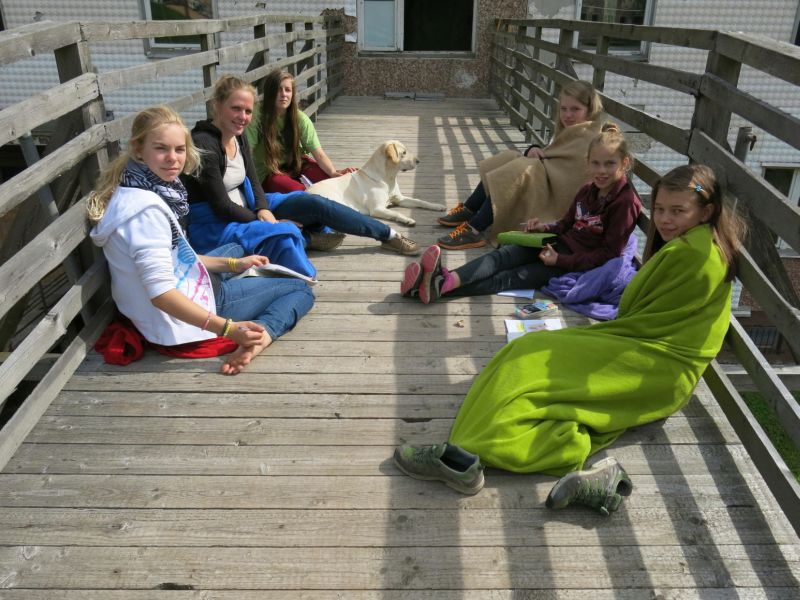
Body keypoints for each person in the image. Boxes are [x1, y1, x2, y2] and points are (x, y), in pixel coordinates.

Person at [393, 164, 745, 516]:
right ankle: (467, 449)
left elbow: (644, 311)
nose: (665, 220)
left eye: (678, 211)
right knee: (527, 350)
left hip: (656, 364)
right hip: (647, 348)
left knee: (535, 371)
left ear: (706, 211)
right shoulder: (695, 245)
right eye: (661, 209)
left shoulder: (694, 255)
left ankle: (467, 456)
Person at [88, 106, 315, 375]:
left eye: (179, 149)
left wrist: (235, 264)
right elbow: (162, 295)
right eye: (161, 149)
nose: (173, 159)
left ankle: (243, 275)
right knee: (300, 289)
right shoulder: (146, 214)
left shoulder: (137, 187)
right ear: (138, 149)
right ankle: (260, 336)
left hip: (179, 282)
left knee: (238, 248)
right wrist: (229, 329)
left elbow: (173, 256)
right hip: (187, 308)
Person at [402, 123, 641, 304]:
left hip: (571, 261)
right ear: (587, 163)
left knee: (507, 278)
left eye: (610, 164)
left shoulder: (625, 202)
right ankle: (442, 281)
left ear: (625, 163)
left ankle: (432, 286)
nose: (601, 171)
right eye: (596, 163)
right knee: (500, 257)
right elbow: (566, 224)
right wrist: (543, 227)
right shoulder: (587, 190)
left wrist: (560, 261)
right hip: (554, 244)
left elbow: (609, 254)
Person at [186, 75, 419, 258]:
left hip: (249, 206)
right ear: (217, 105)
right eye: (235, 108)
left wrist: (263, 207)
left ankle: (388, 235)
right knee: (281, 233)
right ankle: (308, 237)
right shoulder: (205, 144)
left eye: (248, 111)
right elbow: (221, 206)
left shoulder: (238, 135)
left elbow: (253, 180)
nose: (243, 117)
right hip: (219, 222)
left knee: (316, 202)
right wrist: (267, 220)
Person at [436, 80, 604, 250]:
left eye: (575, 109)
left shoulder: (589, 136)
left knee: (517, 171)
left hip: (560, 197)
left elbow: (571, 174)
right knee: (509, 157)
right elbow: (554, 154)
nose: (568, 115)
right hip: (550, 177)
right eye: (564, 109)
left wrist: (537, 161)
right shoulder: (572, 131)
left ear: (590, 110)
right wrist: (533, 149)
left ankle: (474, 228)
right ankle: (469, 209)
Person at [249, 69, 354, 193]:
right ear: (269, 92)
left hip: (296, 165)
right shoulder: (256, 117)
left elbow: (318, 153)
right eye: (278, 89)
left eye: (288, 90)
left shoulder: (300, 118)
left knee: (328, 182)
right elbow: (247, 152)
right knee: (299, 191)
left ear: (293, 94)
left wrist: (333, 173)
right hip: (269, 172)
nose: (283, 94)